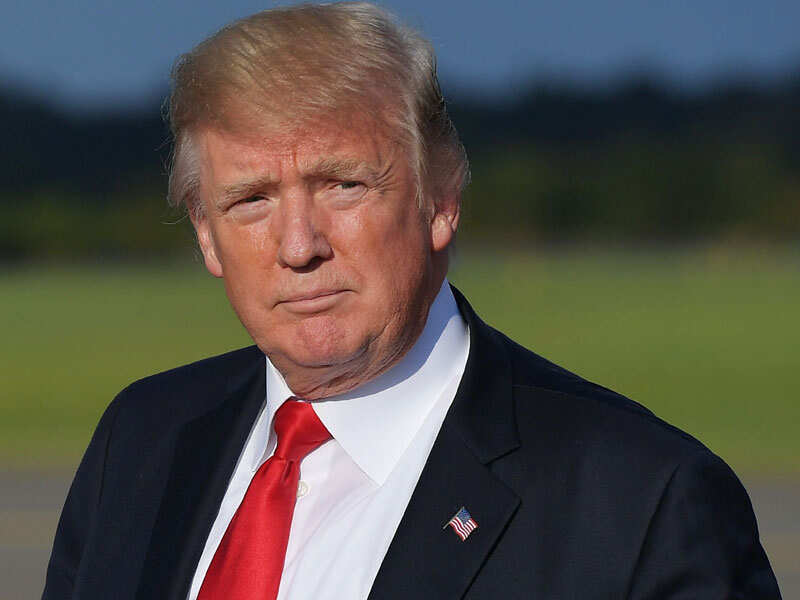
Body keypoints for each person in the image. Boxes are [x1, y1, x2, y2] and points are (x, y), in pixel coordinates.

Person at [43, 3, 781, 599]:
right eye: (251, 200)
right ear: (206, 235)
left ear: (441, 200)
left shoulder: (642, 501)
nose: (298, 246)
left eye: (343, 185)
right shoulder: (142, 439)